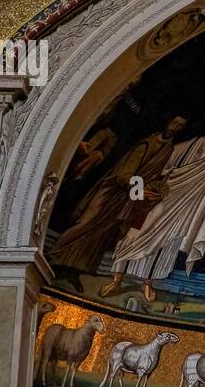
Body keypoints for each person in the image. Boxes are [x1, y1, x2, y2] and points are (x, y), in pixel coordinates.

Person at [100, 113, 205, 301]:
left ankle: (148, 283)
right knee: (134, 235)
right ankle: (117, 279)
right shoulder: (189, 145)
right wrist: (145, 189)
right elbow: (162, 166)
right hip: (162, 200)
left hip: (187, 208)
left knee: (166, 244)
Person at [49, 116, 186, 277]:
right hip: (113, 191)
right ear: (167, 122)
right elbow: (124, 174)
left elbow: (156, 177)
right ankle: (53, 256)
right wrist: (140, 190)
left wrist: (152, 192)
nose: (175, 127)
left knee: (101, 235)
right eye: (174, 123)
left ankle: (73, 271)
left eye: (180, 126)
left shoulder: (168, 150)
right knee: (87, 222)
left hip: (128, 198)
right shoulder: (147, 144)